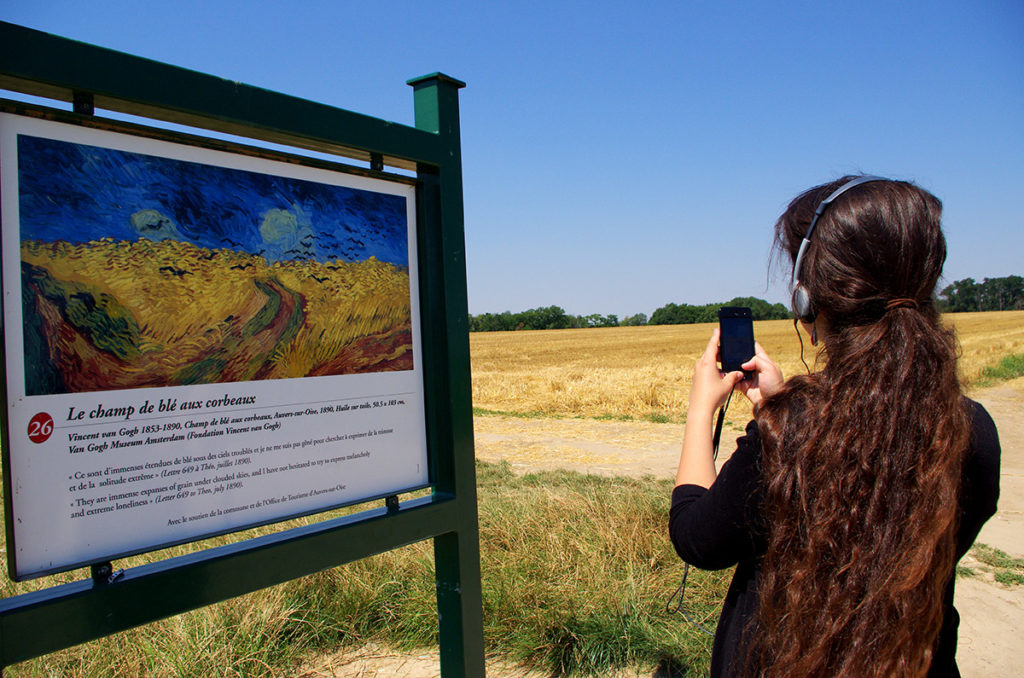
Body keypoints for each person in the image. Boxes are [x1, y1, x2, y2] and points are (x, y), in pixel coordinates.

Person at [669, 176, 1001, 677]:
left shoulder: (795, 430)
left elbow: (698, 539)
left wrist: (702, 412)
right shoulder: (971, 427)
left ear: (809, 296)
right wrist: (777, 408)